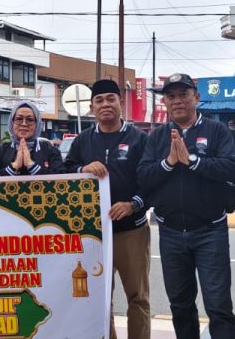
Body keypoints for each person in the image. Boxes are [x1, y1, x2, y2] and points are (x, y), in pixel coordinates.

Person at [136, 72, 235, 339]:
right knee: (180, 306)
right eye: (171, 96)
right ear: (165, 102)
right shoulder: (157, 137)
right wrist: (168, 163)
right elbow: (144, 176)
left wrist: (192, 161)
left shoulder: (216, 130)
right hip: (170, 233)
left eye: (183, 94)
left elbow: (232, 168)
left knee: (218, 306)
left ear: (197, 97)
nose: (177, 101)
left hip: (210, 231)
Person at [63, 79, 152, 339]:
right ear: (92, 107)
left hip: (131, 231)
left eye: (111, 99)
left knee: (138, 297)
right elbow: (64, 172)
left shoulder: (139, 139)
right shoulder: (83, 141)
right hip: (95, 234)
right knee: (100, 298)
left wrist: (132, 205)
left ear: (121, 103)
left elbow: (152, 182)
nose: (105, 105)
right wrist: (82, 169)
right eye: (99, 100)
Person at [0, 101, 65, 177]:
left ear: (37, 124)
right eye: (19, 119)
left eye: (30, 120)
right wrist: (14, 166)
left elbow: (60, 178)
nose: (24, 124)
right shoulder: (0, 152)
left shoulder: (50, 151)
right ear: (12, 123)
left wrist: (31, 165)